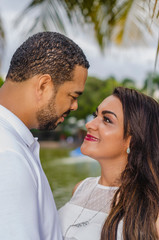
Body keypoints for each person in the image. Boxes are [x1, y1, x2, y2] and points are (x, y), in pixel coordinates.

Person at [0, 31, 89, 240]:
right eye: (73, 96)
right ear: (43, 85)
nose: (74, 106)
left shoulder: (13, 143)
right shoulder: (7, 155)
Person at [58, 86, 159, 240]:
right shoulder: (80, 188)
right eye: (95, 115)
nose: (90, 124)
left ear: (132, 141)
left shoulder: (152, 213)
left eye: (107, 120)